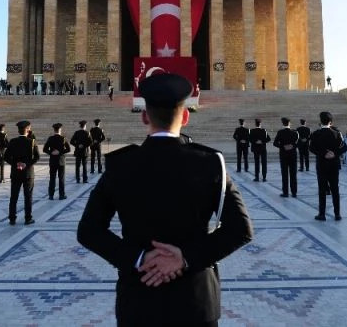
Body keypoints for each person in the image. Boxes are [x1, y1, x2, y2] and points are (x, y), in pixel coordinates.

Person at [77, 73, 254, 327]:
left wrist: (139, 259)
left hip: (139, 299)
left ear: (144, 116)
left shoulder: (121, 164)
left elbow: (89, 231)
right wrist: (185, 258)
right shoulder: (211, 163)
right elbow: (241, 230)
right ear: (185, 116)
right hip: (196, 302)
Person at [310, 112, 346, 221]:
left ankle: (322, 214)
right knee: (335, 189)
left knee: (322, 190)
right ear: (330, 121)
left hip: (321, 164)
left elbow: (311, 148)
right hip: (334, 164)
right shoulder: (337, 133)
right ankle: (337, 214)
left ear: (321, 121)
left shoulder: (316, 133)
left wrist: (323, 153)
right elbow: (344, 147)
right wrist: (334, 153)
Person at [4, 120, 41, 225]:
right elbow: (37, 157)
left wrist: (15, 164)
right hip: (28, 173)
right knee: (28, 196)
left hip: (15, 172)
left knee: (14, 196)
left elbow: (6, 156)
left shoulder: (12, 141)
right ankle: (28, 218)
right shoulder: (32, 142)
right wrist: (26, 164)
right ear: (28, 130)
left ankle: (12, 218)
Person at [273, 117, 299, 198]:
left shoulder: (280, 132)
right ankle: (294, 192)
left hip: (283, 155)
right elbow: (299, 143)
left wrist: (283, 146)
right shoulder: (295, 132)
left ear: (283, 123)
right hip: (293, 155)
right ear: (289, 123)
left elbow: (275, 143)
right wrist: (292, 146)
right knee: (293, 174)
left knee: (284, 174)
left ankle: (285, 192)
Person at [43, 123, 70, 200]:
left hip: (53, 161)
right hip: (61, 161)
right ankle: (61, 195)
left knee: (52, 178)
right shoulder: (63, 138)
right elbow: (68, 149)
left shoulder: (50, 138)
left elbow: (44, 149)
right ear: (60, 130)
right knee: (61, 178)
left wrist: (51, 152)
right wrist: (60, 152)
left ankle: (51, 195)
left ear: (54, 130)